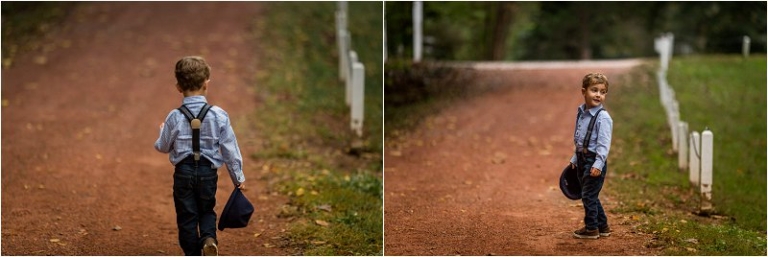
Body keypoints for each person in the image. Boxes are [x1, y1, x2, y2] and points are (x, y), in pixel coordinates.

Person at [155, 56, 245, 255]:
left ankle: (192, 253)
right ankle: (208, 239)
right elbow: (230, 149)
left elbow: (163, 146)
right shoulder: (219, 115)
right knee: (206, 210)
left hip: (183, 173)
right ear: (206, 84)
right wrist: (238, 177)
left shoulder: (174, 116)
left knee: (186, 217)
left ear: (178, 87)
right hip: (207, 173)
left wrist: (162, 132)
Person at [569, 72, 613, 239]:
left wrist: (598, 164)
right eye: (594, 90)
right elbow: (580, 139)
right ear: (584, 91)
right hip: (582, 159)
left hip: (594, 161)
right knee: (590, 195)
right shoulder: (581, 112)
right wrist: (575, 158)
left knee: (588, 195)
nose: (598, 95)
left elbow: (603, 144)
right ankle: (603, 226)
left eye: (602, 92)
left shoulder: (603, 118)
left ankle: (592, 228)